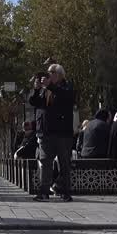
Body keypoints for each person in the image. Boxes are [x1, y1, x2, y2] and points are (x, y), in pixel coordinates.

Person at [30, 62, 76, 202]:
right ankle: (44, 191)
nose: (48, 75)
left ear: (60, 75)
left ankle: (65, 191)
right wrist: (37, 89)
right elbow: (34, 102)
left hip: (62, 133)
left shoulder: (67, 87)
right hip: (46, 132)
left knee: (64, 164)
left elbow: (65, 97)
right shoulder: (45, 89)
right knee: (45, 162)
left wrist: (50, 86)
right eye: (48, 72)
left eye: (51, 72)